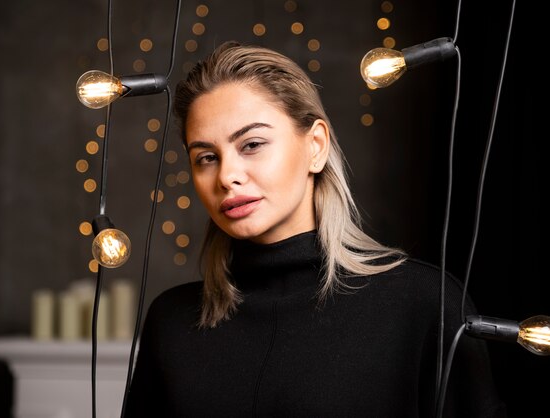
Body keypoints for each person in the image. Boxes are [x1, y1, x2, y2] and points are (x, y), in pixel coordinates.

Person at [124, 41, 507, 417]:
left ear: (316, 146)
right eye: (206, 157)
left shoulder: (423, 305)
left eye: (252, 144)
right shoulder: (171, 322)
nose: (227, 176)